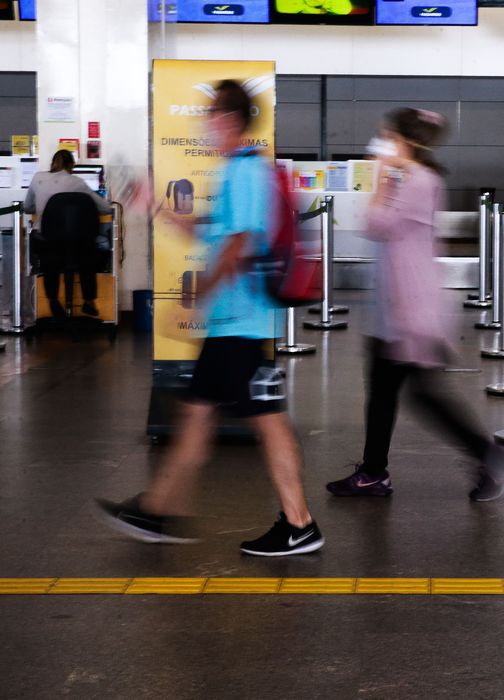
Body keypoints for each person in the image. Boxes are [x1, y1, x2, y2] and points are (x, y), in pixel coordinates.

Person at [96, 80, 323, 556]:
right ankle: (159, 510)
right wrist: (156, 206)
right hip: (232, 323)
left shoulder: (243, 172)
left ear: (228, 121)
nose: (206, 125)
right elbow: (215, 232)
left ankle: (299, 524)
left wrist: (198, 298)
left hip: (240, 322)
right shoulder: (233, 172)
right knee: (201, 416)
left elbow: (241, 243)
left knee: (265, 420)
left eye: (210, 116)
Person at [326, 107, 504, 502]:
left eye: (384, 134)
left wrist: (381, 177)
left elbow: (377, 225)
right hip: (397, 304)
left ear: (399, 139)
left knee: (422, 394)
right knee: (388, 391)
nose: (377, 141)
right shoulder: (411, 177)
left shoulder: (416, 180)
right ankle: (373, 472)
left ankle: (489, 456)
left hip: (409, 306)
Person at [24, 149, 111, 319]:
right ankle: (88, 300)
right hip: (76, 247)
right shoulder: (77, 182)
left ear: (52, 163)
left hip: (47, 244)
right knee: (89, 251)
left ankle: (53, 300)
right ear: (71, 165)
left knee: (50, 258)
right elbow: (105, 208)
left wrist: (42, 209)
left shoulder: (37, 178)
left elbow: (27, 207)